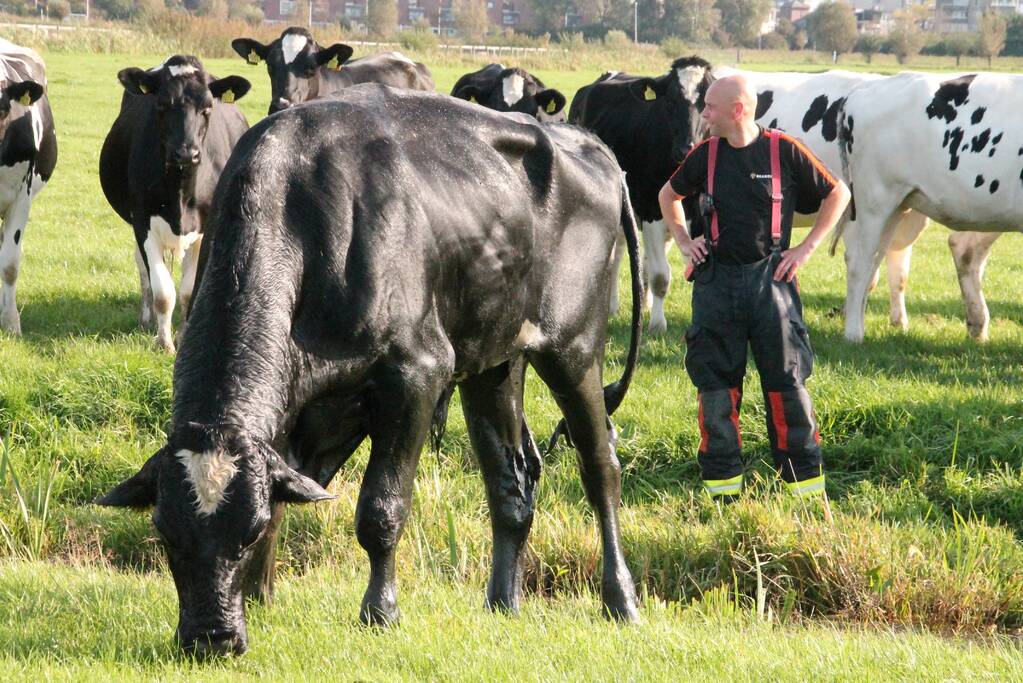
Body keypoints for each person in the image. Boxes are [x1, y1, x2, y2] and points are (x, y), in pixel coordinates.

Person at [657, 75, 851, 502]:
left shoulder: (784, 151)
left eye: (709, 107)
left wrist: (805, 248)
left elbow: (837, 193)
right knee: (716, 388)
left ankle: (803, 492)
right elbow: (667, 195)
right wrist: (686, 241)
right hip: (715, 285)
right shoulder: (704, 156)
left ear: (737, 111)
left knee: (787, 385)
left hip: (773, 285)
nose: (703, 114)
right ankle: (723, 493)